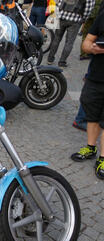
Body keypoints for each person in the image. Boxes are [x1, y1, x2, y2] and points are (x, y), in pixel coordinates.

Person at [70, 13, 104, 179]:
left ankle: (103, 158)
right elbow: (86, 43)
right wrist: (93, 48)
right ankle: (91, 148)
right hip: (96, 76)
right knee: (92, 113)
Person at [47, 0, 95, 68]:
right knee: (69, 42)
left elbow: (59, 2)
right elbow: (89, 8)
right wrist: (84, 18)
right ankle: (62, 62)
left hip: (62, 16)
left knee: (56, 39)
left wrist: (58, 13)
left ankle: (50, 59)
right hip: (75, 19)